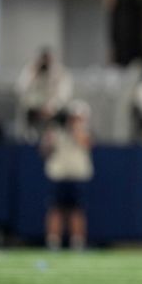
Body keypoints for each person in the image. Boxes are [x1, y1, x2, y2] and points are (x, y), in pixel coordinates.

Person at [41, 100, 93, 251]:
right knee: (55, 208)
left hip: (77, 174)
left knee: (77, 209)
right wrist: (50, 133)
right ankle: (53, 241)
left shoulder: (84, 130)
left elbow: (86, 143)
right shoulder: (55, 131)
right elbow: (44, 152)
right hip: (59, 173)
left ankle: (77, 241)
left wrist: (75, 128)